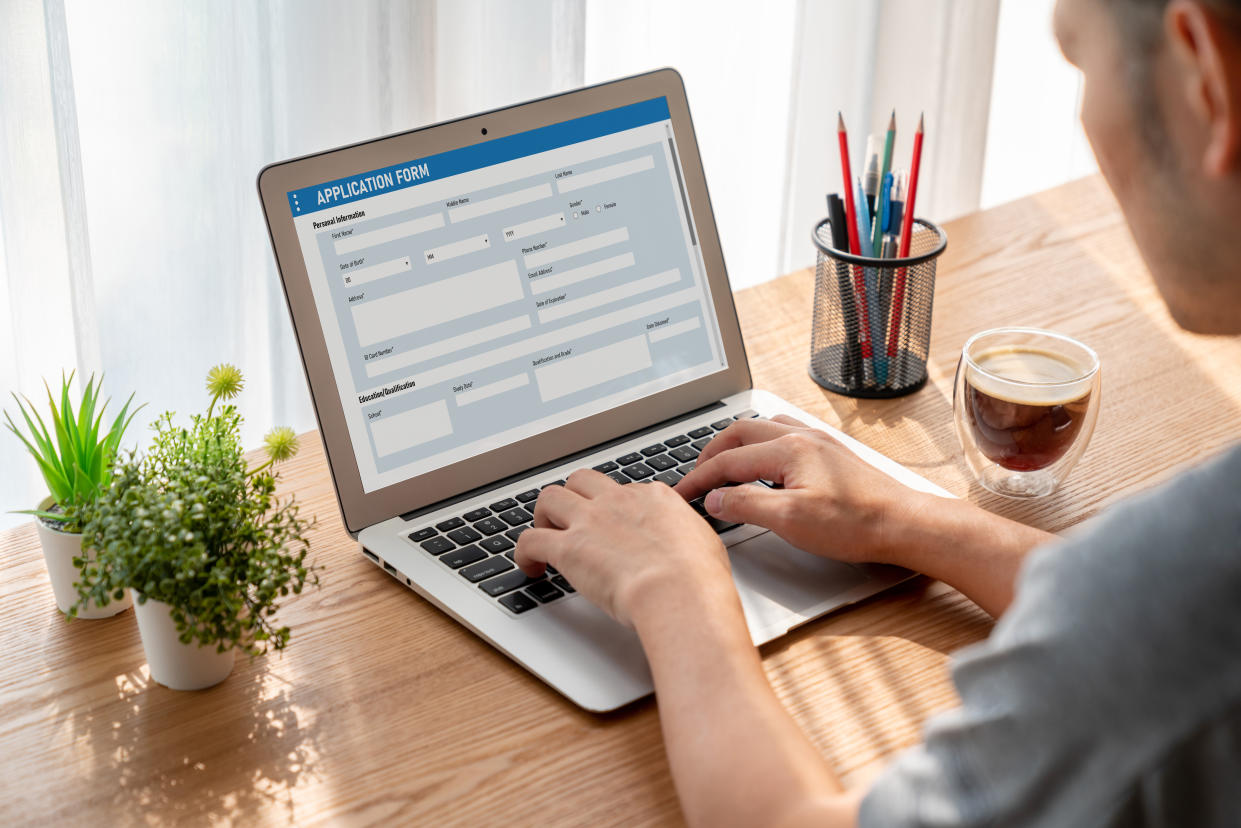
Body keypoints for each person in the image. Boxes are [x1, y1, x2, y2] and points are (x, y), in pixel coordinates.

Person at [514, 0, 1241, 824]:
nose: (1082, 117)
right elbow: (1150, 628)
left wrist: (672, 591)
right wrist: (918, 522)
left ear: (1206, 78)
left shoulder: (1185, 595)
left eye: (1078, 62)